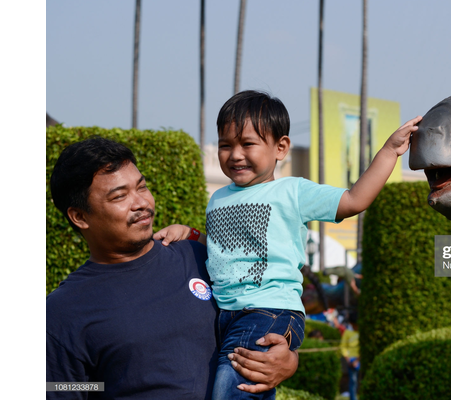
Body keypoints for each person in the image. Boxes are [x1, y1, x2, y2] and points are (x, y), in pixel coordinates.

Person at [156, 90, 422, 399]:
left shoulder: (291, 191)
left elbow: (354, 200)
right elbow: (220, 247)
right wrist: (189, 233)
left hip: (269, 310)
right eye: (225, 145)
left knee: (234, 390)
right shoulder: (218, 198)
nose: (235, 154)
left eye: (248, 144)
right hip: (224, 314)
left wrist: (390, 151)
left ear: (281, 148)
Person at [46, 137, 298, 399]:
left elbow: (269, 316)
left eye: (142, 187)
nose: (141, 203)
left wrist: (288, 359)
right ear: (80, 216)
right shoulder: (63, 311)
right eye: (120, 196)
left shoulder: (201, 258)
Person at [340, 313, 360, 400]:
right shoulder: (347, 332)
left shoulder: (361, 332)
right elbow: (343, 346)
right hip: (351, 359)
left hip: (359, 359)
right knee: (353, 381)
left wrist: (358, 360)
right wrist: (349, 360)